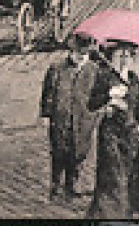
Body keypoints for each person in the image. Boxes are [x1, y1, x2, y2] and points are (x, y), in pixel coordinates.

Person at [86, 41, 139, 219]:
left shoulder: (134, 79)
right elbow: (91, 103)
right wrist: (109, 96)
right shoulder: (105, 77)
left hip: (130, 133)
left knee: (130, 172)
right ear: (112, 58)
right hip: (110, 132)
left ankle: (128, 208)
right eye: (119, 56)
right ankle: (111, 210)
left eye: (127, 56)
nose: (123, 60)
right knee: (112, 171)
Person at [39, 33, 100, 200]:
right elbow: (48, 93)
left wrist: (94, 115)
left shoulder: (94, 70)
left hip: (83, 118)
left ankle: (71, 184)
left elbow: (97, 96)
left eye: (84, 54)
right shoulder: (57, 68)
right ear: (72, 51)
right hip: (61, 117)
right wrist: (47, 114)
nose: (81, 57)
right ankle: (55, 184)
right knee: (59, 150)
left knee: (78, 151)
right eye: (78, 53)